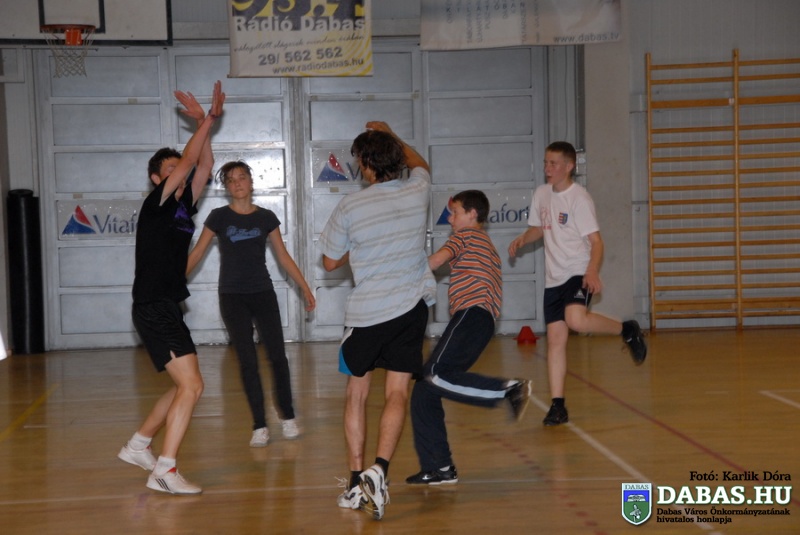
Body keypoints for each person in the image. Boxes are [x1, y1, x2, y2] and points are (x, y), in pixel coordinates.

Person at [320, 121, 436, 520]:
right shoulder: (418, 190)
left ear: (367, 165)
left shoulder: (351, 207)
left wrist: (357, 245)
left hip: (367, 314)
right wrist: (393, 134)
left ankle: (356, 481)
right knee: (397, 393)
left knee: (357, 393)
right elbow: (422, 165)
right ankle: (379, 471)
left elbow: (330, 262)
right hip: (410, 309)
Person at [118, 81, 225, 495]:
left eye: (178, 169)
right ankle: (165, 469)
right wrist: (206, 119)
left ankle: (138, 445)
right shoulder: (156, 204)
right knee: (193, 386)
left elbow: (203, 166)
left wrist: (204, 126)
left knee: (184, 385)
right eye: (170, 169)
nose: (179, 172)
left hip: (163, 305)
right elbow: (190, 162)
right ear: (156, 178)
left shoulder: (182, 206)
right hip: (153, 304)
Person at [508, 141, 647, 427]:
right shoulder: (541, 194)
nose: (548, 168)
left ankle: (626, 329)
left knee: (576, 320)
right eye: (546, 163)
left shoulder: (579, 199)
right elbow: (539, 228)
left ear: (569, 166)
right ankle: (558, 407)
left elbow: (596, 242)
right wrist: (523, 238)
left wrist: (592, 271)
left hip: (577, 270)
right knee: (556, 341)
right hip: (553, 277)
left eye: (553, 163)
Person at [405, 190, 532, 486]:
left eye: (455, 212)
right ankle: (440, 466)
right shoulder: (485, 243)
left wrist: (394, 270)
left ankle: (507, 390)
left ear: (472, 214)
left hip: (471, 316)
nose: (450, 219)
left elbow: (432, 263)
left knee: (434, 375)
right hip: (478, 322)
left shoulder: (465, 237)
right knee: (424, 391)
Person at [186, 160, 316, 448]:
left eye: (242, 178)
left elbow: (283, 257)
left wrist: (305, 287)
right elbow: (198, 252)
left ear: (251, 182)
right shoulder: (218, 217)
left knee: (278, 357)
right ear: (226, 187)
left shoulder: (266, 217)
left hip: (262, 293)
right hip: (232, 297)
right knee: (247, 361)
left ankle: (287, 416)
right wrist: (174, 282)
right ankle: (259, 425)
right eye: (231, 180)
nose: (237, 183)